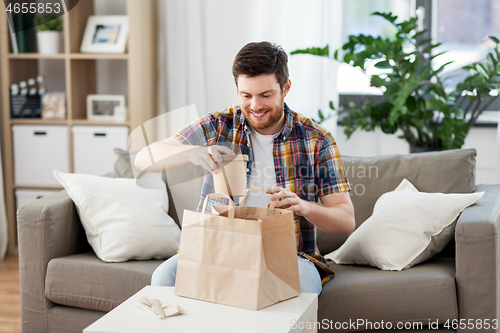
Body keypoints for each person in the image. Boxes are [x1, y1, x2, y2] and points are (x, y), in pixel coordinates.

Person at [135, 41, 355, 294]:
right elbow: (144, 158)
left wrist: (303, 206)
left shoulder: (316, 139)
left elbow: (346, 221)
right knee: (164, 277)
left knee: (303, 287)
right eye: (246, 95)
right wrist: (193, 152)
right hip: (216, 247)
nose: (255, 106)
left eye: (265, 95)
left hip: (288, 254)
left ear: (285, 88)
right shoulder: (219, 126)